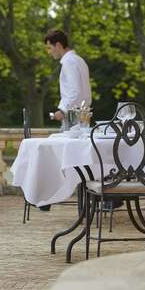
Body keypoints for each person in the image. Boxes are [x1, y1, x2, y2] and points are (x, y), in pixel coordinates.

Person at [42, 29, 92, 211]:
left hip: (74, 116)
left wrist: (61, 110)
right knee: (81, 157)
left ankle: (48, 197)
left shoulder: (69, 63)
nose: (49, 52)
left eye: (49, 48)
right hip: (83, 114)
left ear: (58, 45)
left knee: (64, 157)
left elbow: (75, 91)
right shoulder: (78, 60)